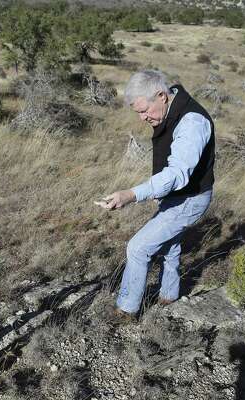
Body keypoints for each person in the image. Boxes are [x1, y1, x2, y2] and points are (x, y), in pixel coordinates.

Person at [96, 70, 215, 316]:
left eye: (144, 110)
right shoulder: (170, 108)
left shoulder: (192, 122)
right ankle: (169, 297)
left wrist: (131, 195)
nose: (142, 118)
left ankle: (126, 311)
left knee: (138, 248)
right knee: (170, 246)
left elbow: (177, 175)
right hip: (179, 197)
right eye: (137, 112)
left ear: (161, 95)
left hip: (190, 199)